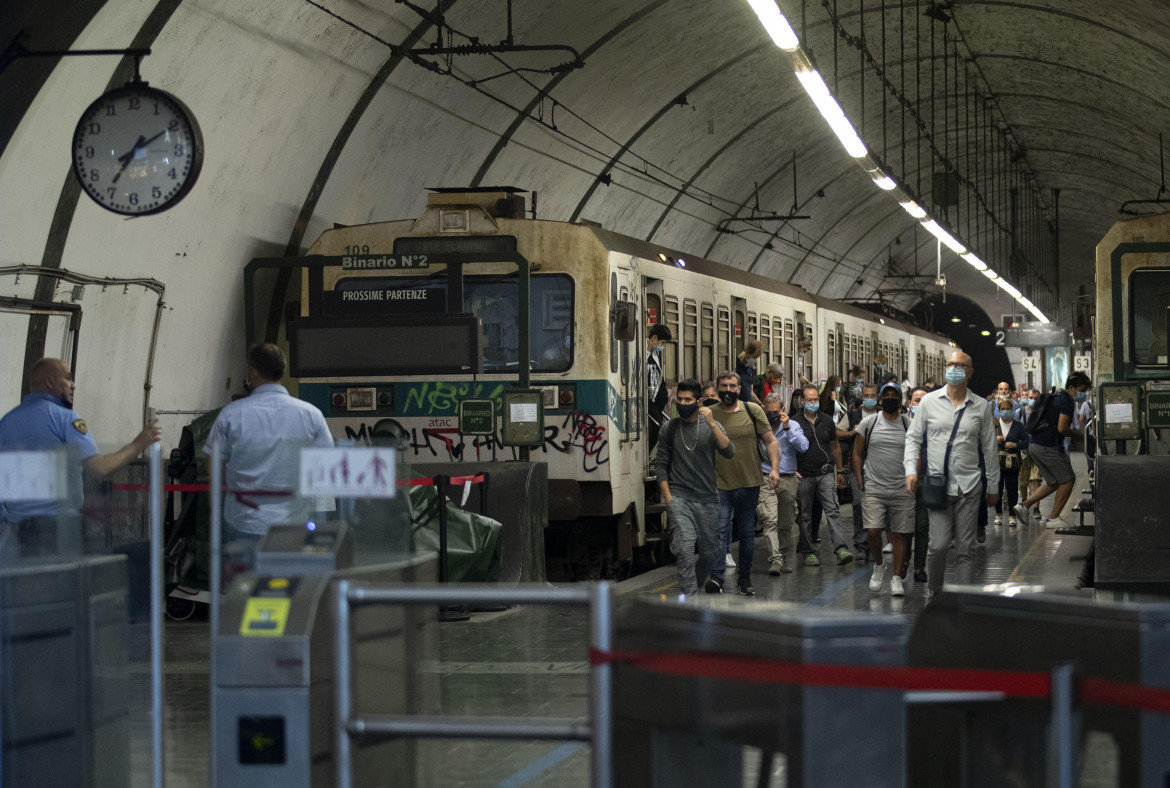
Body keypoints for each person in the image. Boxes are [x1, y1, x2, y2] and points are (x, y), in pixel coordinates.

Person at [0, 358, 161, 556]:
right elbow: (100, 469)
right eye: (67, 378)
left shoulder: (6, 423)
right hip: (57, 533)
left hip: (16, 536)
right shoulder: (65, 419)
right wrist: (139, 443)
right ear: (50, 382)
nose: (73, 384)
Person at [203, 343, 334, 561]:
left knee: (245, 589)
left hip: (244, 522)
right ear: (282, 370)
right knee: (291, 588)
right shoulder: (311, 415)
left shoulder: (231, 415)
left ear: (252, 372)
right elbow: (325, 468)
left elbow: (213, 467)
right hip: (294, 525)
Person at [905, 351, 1000, 597]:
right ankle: (934, 591)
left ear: (970, 372)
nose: (954, 368)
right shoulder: (928, 402)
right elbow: (913, 438)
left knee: (966, 549)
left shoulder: (980, 406)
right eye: (950, 364)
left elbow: (990, 448)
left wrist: (993, 485)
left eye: (959, 365)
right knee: (937, 546)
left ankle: (964, 599)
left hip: (970, 486)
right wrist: (910, 471)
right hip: (937, 486)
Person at [655, 379, 734, 596]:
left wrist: (711, 423)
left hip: (708, 499)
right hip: (679, 498)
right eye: (679, 399)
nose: (682, 403)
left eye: (687, 400)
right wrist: (668, 497)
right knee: (685, 549)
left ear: (698, 402)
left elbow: (729, 451)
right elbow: (661, 464)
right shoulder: (669, 429)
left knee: (709, 553)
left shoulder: (712, 426)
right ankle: (689, 598)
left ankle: (695, 586)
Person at [708, 371, 780, 595]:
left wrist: (775, 469)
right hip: (719, 483)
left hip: (749, 482)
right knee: (720, 530)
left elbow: (770, 440)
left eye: (732, 386)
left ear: (739, 389)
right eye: (724, 386)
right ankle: (717, 578)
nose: (728, 390)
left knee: (747, 532)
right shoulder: (709, 414)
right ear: (718, 388)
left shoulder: (753, 410)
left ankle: (745, 579)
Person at [854, 383, 914, 596]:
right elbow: (858, 453)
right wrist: (860, 479)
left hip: (902, 488)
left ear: (901, 400)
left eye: (894, 395)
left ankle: (896, 579)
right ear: (880, 399)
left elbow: (917, 453)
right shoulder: (869, 423)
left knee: (899, 534)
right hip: (874, 485)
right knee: (872, 531)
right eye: (886, 395)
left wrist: (914, 477)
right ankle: (879, 565)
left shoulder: (909, 425)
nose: (890, 398)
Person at [1012, 372, 1092, 529]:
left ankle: (1024, 506)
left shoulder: (1056, 395)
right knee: (1068, 479)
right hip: (1048, 446)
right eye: (1081, 390)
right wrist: (1078, 435)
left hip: (1034, 444)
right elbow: (1062, 428)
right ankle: (1054, 518)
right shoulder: (1067, 400)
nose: (1082, 394)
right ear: (1072, 387)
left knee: (1054, 481)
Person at [794, 382, 853, 567]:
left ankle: (841, 549)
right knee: (805, 514)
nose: (813, 402)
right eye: (809, 400)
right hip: (803, 475)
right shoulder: (794, 422)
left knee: (833, 510)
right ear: (802, 401)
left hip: (825, 472)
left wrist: (840, 470)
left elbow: (835, 447)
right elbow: (787, 448)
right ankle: (808, 551)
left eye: (815, 399)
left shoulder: (827, 420)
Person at [756, 392, 807, 575]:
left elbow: (803, 446)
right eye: (769, 412)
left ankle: (783, 557)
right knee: (769, 520)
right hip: (765, 477)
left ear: (783, 410)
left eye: (776, 412)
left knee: (785, 523)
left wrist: (787, 429)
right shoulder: (758, 426)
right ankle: (775, 559)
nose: (772, 416)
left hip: (788, 479)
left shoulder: (793, 426)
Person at [844, 382, 880, 560]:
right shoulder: (853, 414)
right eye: (866, 396)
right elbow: (837, 432)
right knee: (859, 504)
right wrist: (851, 433)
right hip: (857, 466)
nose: (869, 399)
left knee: (876, 508)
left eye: (872, 396)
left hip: (878, 468)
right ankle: (860, 543)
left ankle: (874, 544)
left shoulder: (883, 415)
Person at [905, 387, 930, 584]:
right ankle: (903, 561)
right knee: (903, 525)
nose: (919, 403)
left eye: (923, 400)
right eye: (916, 399)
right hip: (902, 480)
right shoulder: (902, 422)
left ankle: (919, 566)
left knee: (922, 525)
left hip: (925, 479)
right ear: (909, 402)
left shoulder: (934, 424)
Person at [992, 397, 1029, 527]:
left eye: (1008, 409)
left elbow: (1026, 441)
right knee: (997, 487)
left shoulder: (1018, 425)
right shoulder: (994, 424)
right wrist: (995, 440)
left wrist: (1016, 445)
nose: (1005, 411)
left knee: (1012, 488)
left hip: (1013, 463)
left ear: (1012, 409)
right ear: (999, 409)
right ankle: (998, 514)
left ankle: (1012, 516)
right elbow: (984, 440)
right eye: (1003, 409)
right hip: (997, 462)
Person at [646, 324, 673, 450]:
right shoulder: (645, 355)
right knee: (654, 428)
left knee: (658, 428)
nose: (663, 346)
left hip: (656, 403)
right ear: (654, 338)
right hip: (649, 402)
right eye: (662, 342)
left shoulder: (656, 355)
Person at [736, 340, 764, 405]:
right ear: (748, 352)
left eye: (757, 358)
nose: (754, 360)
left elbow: (751, 392)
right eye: (754, 357)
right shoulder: (735, 365)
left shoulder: (750, 369)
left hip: (747, 406)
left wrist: (760, 404)